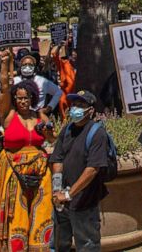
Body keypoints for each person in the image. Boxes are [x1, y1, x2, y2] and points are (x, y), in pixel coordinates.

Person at [0, 50, 56, 252]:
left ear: (32, 97)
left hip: (40, 171)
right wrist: (6, 62)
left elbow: (53, 140)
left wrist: (49, 133)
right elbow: (4, 88)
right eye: (18, 98)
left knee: (42, 212)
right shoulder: (9, 116)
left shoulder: (40, 117)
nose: (22, 101)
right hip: (13, 172)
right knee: (16, 214)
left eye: (26, 98)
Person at [49, 90, 109, 252]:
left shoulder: (97, 133)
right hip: (61, 202)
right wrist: (57, 189)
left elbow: (92, 169)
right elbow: (57, 159)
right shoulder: (67, 130)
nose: (75, 108)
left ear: (90, 110)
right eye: (74, 104)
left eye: (80, 105)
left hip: (84, 203)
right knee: (59, 243)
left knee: (87, 245)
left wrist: (69, 194)